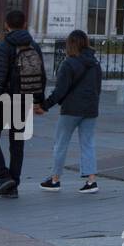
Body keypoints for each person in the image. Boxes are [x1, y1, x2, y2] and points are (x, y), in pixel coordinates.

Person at [0, 9, 45, 198]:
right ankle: (14, 186)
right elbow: (42, 75)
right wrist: (39, 100)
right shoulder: (34, 45)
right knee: (17, 142)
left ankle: (3, 176)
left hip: (5, 99)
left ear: (7, 25)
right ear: (25, 24)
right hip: (24, 98)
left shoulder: (4, 46)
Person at [38, 30, 103, 194]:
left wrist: (44, 106)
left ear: (70, 44)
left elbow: (60, 91)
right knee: (88, 144)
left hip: (71, 109)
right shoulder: (95, 63)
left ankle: (55, 179)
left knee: (61, 143)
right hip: (90, 108)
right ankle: (91, 181)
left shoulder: (68, 64)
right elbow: (98, 88)